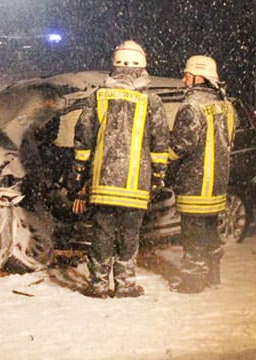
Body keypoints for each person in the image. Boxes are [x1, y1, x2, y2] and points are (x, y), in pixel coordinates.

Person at [70, 40, 169, 298]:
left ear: (115, 64)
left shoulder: (99, 96)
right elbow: (160, 144)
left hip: (104, 183)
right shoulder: (152, 101)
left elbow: (83, 139)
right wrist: (158, 177)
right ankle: (125, 284)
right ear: (142, 67)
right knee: (129, 234)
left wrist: (78, 174)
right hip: (137, 185)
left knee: (102, 233)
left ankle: (98, 284)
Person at [169, 55, 236, 293]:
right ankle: (213, 276)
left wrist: (161, 154)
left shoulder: (192, 106)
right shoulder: (226, 106)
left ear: (199, 77)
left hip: (195, 184)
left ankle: (193, 281)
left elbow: (180, 146)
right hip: (217, 185)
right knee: (210, 232)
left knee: (193, 236)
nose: (183, 80)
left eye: (187, 76)